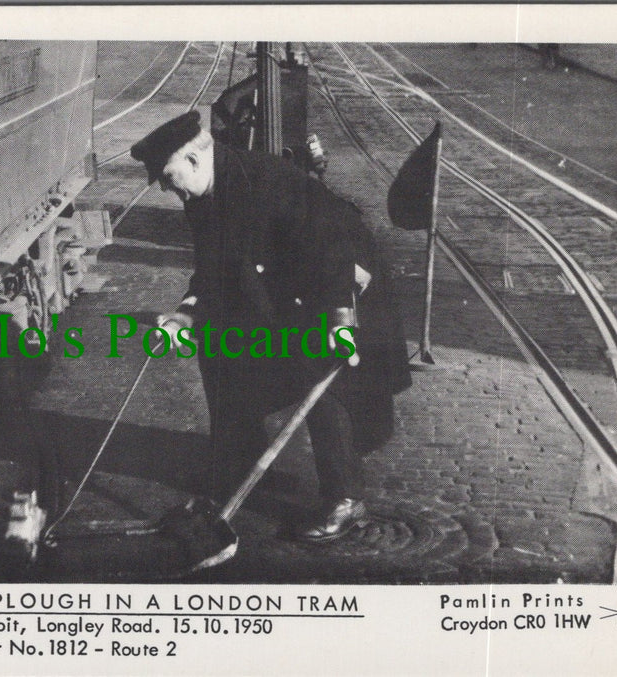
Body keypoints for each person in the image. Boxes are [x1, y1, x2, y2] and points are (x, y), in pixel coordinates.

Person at [130, 110, 411, 542]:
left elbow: (332, 246)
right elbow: (211, 270)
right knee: (217, 344)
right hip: (287, 282)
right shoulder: (201, 197)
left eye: (168, 177)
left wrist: (340, 322)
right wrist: (186, 314)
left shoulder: (266, 180)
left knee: (320, 363)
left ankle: (345, 497)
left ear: (192, 160)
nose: (167, 188)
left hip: (344, 281)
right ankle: (240, 464)